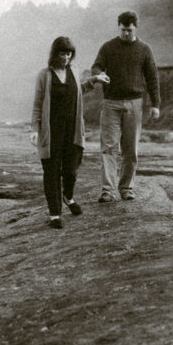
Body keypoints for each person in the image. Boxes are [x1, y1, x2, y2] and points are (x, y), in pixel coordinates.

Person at [30, 36, 108, 228]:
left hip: (72, 130)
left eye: (69, 53)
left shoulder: (73, 70)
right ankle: (55, 214)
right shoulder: (44, 75)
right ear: (54, 53)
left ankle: (68, 197)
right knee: (52, 172)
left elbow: (78, 91)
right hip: (51, 131)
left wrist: (94, 79)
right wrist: (34, 129)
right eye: (62, 53)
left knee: (71, 170)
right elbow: (38, 104)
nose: (65, 57)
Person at [90, 10, 160, 203]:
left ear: (135, 28)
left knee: (131, 149)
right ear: (118, 27)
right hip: (110, 103)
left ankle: (127, 188)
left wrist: (156, 104)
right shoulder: (108, 47)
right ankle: (107, 190)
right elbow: (96, 66)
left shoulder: (145, 49)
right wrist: (99, 74)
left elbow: (152, 78)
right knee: (108, 148)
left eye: (129, 30)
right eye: (122, 30)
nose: (125, 34)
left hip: (135, 103)